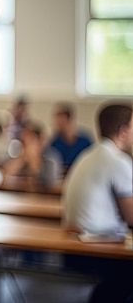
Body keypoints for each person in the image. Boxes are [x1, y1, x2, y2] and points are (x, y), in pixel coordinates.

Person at [61, 101, 133, 303]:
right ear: (123, 130)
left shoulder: (87, 155)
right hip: (98, 249)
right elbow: (131, 217)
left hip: (75, 246)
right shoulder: (118, 162)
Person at [3, 120, 62, 189]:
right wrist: (21, 160)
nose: (25, 143)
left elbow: (48, 186)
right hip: (18, 197)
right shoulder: (17, 155)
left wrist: (33, 162)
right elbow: (6, 179)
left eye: (30, 138)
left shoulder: (51, 160)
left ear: (39, 140)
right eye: (23, 140)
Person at [46, 101, 93, 174]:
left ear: (70, 121)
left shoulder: (85, 142)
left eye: (62, 123)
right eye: (57, 123)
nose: (58, 126)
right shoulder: (54, 143)